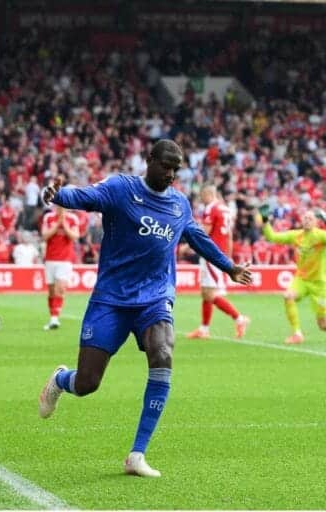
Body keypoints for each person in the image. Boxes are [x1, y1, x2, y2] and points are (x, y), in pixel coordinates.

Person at [37, 139, 252, 478]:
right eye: (164, 166)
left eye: (175, 169)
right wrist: (58, 196)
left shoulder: (180, 205)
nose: (170, 174)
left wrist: (229, 267)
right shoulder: (121, 188)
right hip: (111, 297)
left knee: (163, 351)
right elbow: (86, 197)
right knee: (89, 382)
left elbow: (197, 237)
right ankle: (61, 381)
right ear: (149, 160)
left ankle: (137, 454)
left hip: (155, 297)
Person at [262, 209, 326, 345]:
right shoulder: (296, 235)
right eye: (305, 218)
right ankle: (297, 334)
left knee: (323, 324)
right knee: (288, 296)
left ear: (316, 222)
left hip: (319, 284)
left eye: (310, 218)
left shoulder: (321, 236)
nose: (307, 220)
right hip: (302, 279)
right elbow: (272, 237)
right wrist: (265, 221)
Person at [186, 185, 250, 340]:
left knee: (209, 293)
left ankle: (239, 318)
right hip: (220, 253)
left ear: (207, 194)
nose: (201, 200)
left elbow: (203, 232)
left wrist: (188, 245)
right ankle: (204, 329)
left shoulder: (211, 208)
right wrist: (227, 257)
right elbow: (229, 236)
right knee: (206, 292)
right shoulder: (226, 209)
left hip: (211, 253)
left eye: (202, 197)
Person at [41, 205, 80, 330]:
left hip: (65, 260)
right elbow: (45, 235)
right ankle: (52, 316)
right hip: (50, 259)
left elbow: (75, 236)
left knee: (60, 288)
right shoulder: (49, 217)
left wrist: (65, 224)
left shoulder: (72, 218)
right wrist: (58, 223)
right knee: (51, 291)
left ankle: (54, 318)